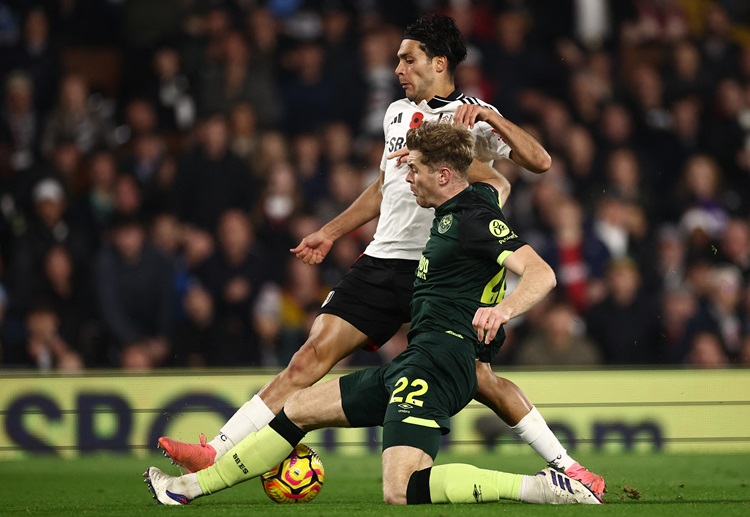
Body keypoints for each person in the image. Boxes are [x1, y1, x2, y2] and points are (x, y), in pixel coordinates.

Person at [157, 13, 605, 497]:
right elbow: (383, 187)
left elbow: (538, 162)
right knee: (310, 356)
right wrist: (329, 232)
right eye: (396, 60)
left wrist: (492, 120)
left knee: (479, 378)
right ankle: (218, 449)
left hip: (440, 267)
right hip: (383, 259)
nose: (397, 68)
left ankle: (566, 468)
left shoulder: (472, 115)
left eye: (407, 59)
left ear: (438, 62)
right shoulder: (395, 114)